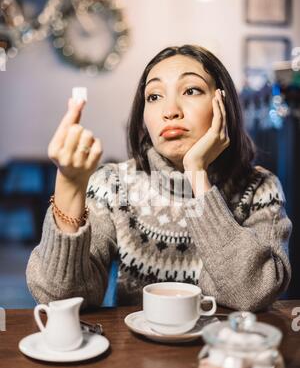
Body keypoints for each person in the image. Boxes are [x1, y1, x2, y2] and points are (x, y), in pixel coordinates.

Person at [26, 44, 292, 311]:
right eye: (154, 96)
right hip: (133, 351)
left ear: (223, 103)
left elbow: (251, 293)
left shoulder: (260, 188)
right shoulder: (112, 185)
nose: (170, 111)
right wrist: (69, 186)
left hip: (221, 349)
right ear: (143, 117)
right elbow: (61, 298)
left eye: (191, 90)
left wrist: (197, 174)